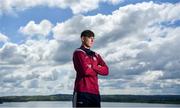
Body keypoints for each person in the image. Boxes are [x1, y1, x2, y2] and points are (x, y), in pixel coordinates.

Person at [72, 30, 109, 107]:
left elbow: (106, 71)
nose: (92, 40)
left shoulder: (96, 55)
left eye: (93, 38)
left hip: (95, 93)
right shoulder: (79, 52)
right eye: (89, 38)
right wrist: (98, 69)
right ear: (83, 38)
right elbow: (85, 71)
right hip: (82, 92)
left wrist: (93, 66)